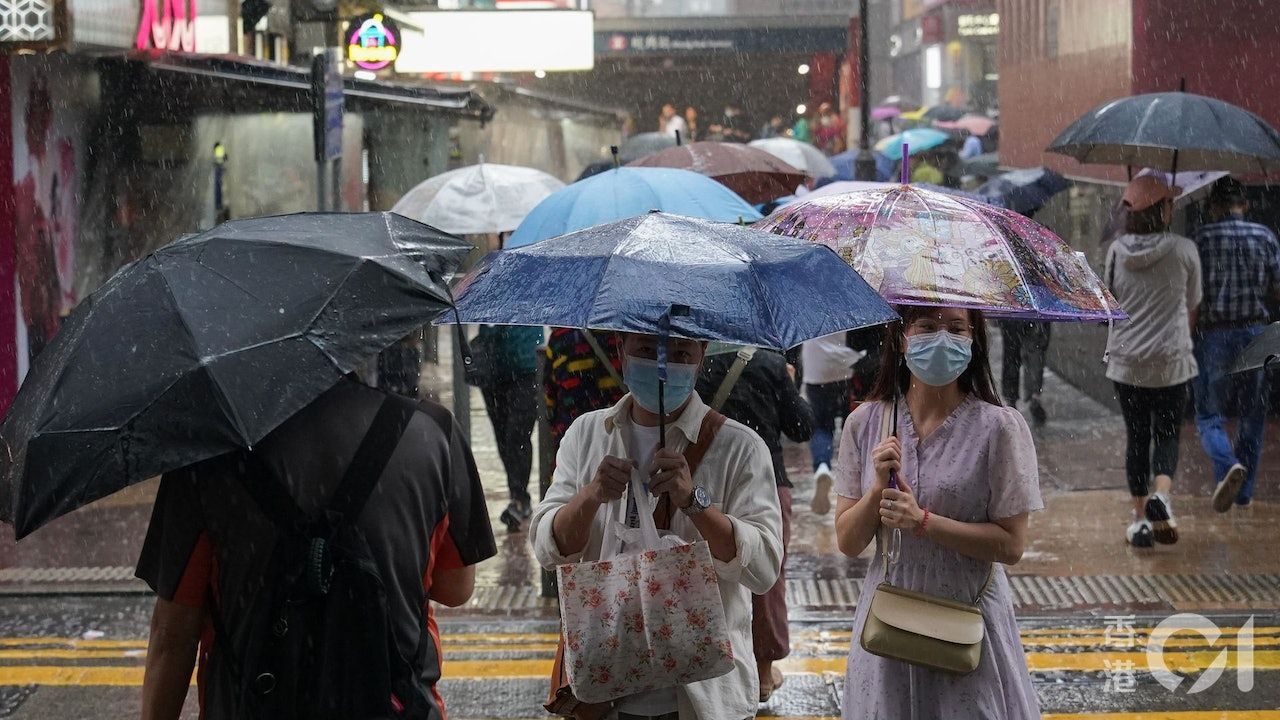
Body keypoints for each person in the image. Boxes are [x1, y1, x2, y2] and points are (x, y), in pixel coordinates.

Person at [137, 376, 496, 720]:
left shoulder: (208, 450)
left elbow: (173, 635)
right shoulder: (432, 430)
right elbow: (455, 588)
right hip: (395, 705)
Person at [531, 333, 784, 720]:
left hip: (702, 699)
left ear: (701, 357)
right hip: (602, 695)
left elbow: (764, 569)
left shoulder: (741, 448)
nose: (663, 364)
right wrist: (592, 495)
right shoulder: (586, 435)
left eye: (680, 353)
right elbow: (548, 547)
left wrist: (694, 502)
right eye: (647, 351)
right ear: (621, 353)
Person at [833, 305, 1042, 720]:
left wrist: (923, 522)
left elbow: (1012, 545)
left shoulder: (1000, 428)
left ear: (973, 339)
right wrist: (877, 490)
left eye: (957, 328)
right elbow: (848, 542)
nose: (942, 337)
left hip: (969, 624)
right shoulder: (865, 423)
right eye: (927, 326)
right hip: (888, 623)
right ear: (902, 336)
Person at [696, 347, 813, 703]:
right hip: (768, 485)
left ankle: (711, 665)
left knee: (712, 577)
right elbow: (801, 426)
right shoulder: (769, 363)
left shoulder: (697, 364)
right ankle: (762, 672)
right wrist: (789, 382)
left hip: (708, 487)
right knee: (766, 576)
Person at [1104, 175, 1201, 547]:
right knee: (1167, 434)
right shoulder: (1184, 249)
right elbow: (1193, 304)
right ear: (1163, 209)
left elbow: (1109, 300)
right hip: (1172, 362)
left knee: (1137, 438)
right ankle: (1162, 494)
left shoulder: (1116, 251)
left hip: (1127, 363)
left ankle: (1141, 520)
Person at [1192, 177, 1280, 511]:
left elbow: (1193, 294)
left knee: (1209, 415)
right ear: (1244, 205)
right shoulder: (1265, 236)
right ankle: (1243, 493)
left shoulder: (1200, 238)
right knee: (1253, 416)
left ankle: (1228, 465)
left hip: (1214, 335)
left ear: (1213, 206)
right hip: (1257, 335)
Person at [474, 322, 544, 532]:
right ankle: (517, 494)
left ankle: (519, 498)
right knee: (503, 436)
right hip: (493, 368)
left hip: (526, 368)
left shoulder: (532, 289)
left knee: (517, 435)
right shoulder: (484, 291)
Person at [801, 332, 863, 516]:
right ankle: (852, 479)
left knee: (821, 426)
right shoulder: (849, 302)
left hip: (816, 368)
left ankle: (822, 466)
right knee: (851, 425)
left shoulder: (804, 304)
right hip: (845, 366)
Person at [544, 327, 626, 462]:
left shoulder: (560, 338)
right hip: (618, 436)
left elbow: (549, 396)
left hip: (571, 439)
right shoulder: (625, 337)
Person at [998, 320, 1050, 425]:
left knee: (1011, 356)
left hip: (1013, 314)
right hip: (1035, 316)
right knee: (1035, 354)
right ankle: (1034, 395)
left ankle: (1011, 399)